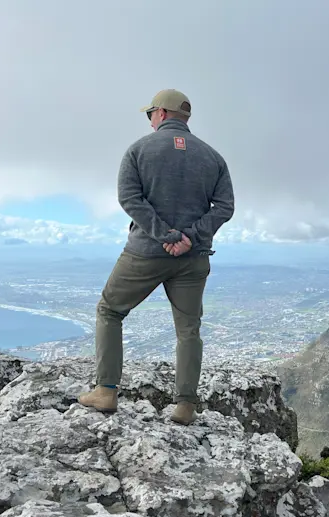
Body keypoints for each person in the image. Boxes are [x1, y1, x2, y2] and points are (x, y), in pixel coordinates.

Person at [78, 89, 234, 425]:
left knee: (110, 310)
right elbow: (224, 207)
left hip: (146, 253)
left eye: (150, 113)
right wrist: (189, 238)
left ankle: (105, 391)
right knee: (189, 330)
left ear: (161, 113)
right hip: (193, 257)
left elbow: (129, 198)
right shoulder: (213, 158)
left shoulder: (138, 150)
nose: (149, 119)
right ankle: (186, 406)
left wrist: (165, 235)